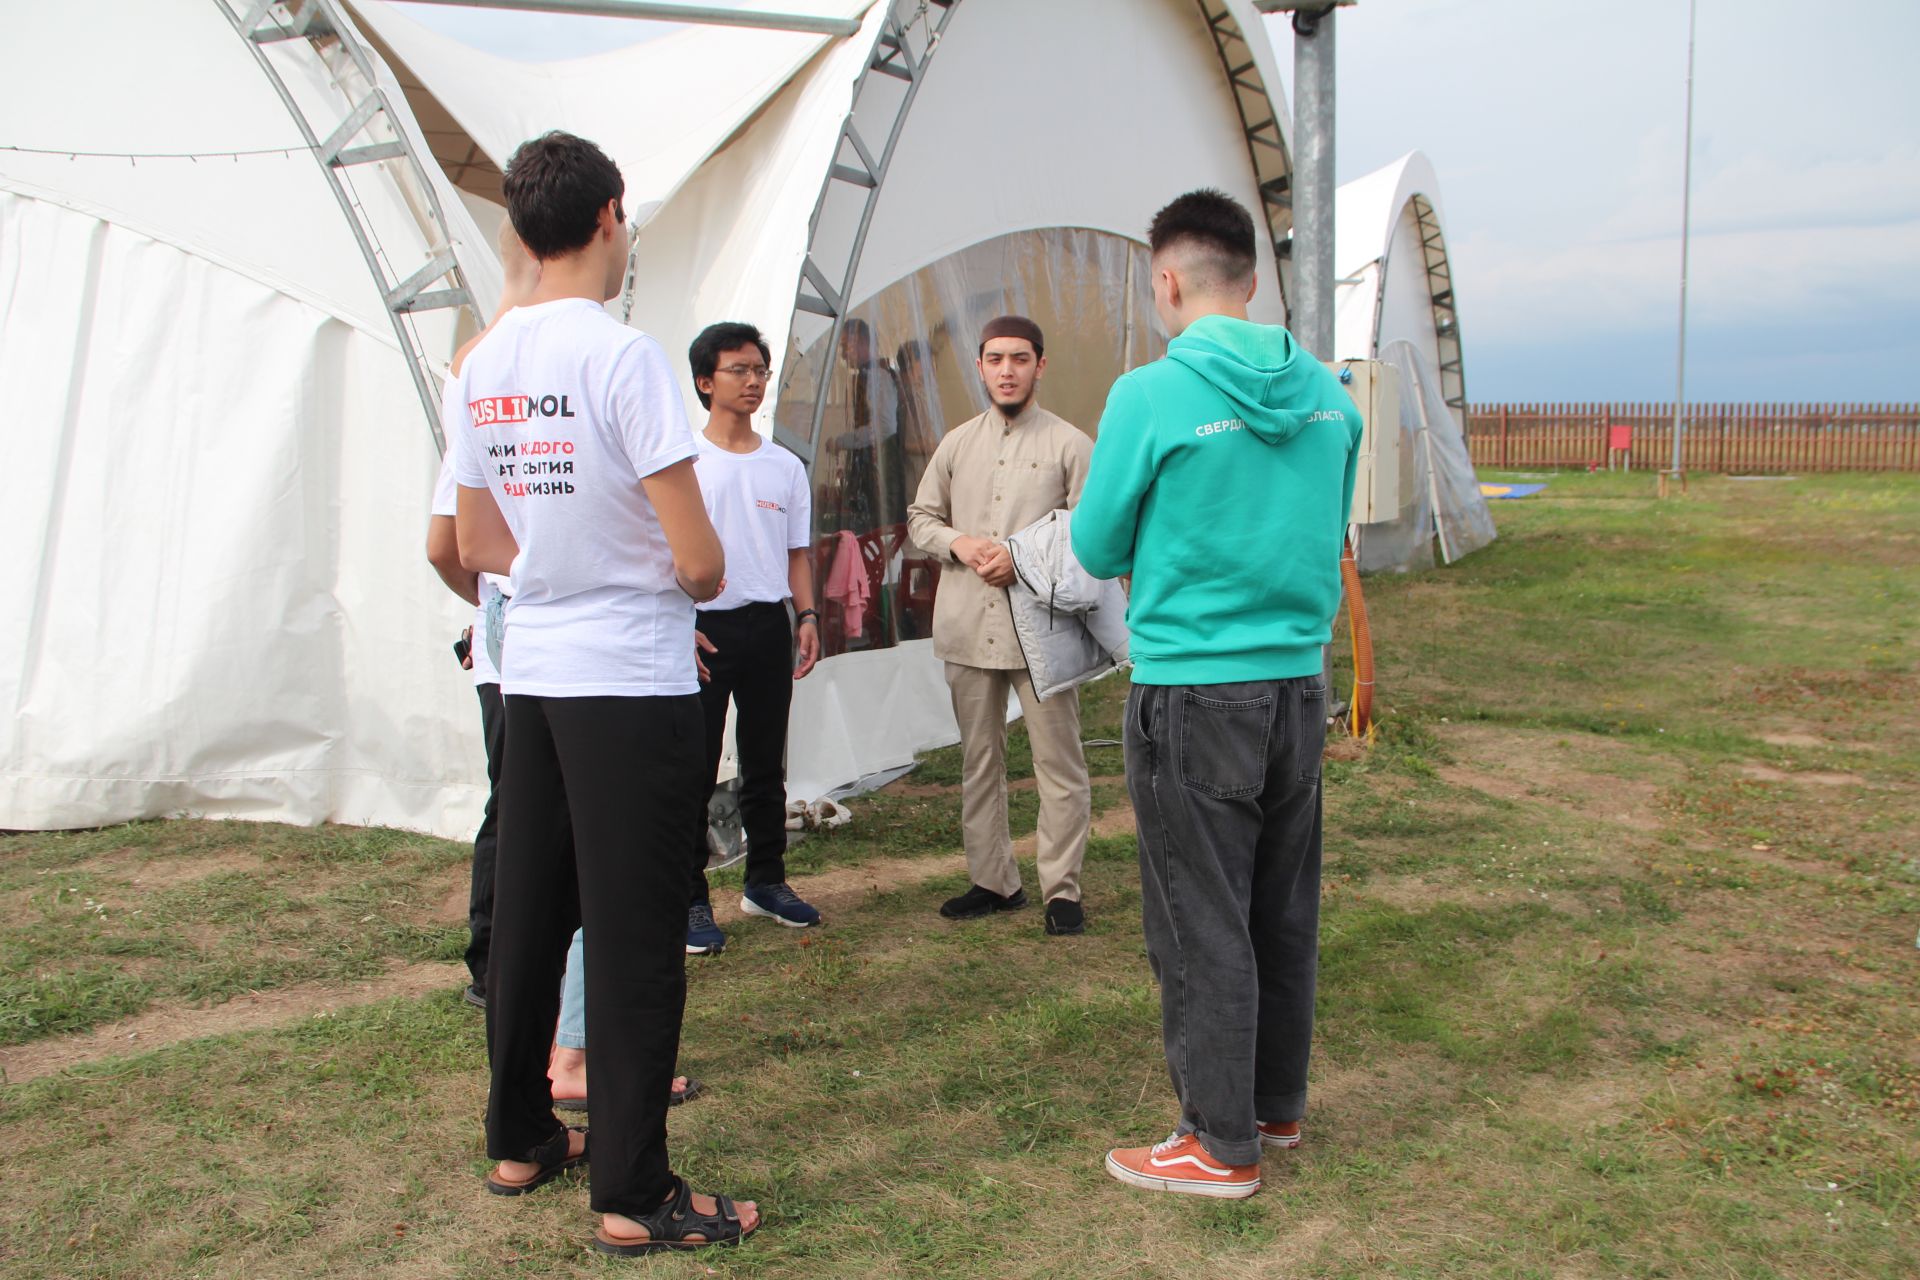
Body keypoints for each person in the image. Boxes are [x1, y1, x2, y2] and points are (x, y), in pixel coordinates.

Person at [449, 130, 758, 1255]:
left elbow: (478, 538)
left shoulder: (482, 361)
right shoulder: (621, 355)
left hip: (529, 669)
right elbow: (702, 560)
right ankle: (633, 1186)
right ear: (611, 216)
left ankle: (521, 1132)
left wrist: (557, 551)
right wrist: (658, 559)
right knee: (631, 934)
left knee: (531, 911)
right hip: (627, 676)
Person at [1070, 189, 1362, 1199]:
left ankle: (1215, 1139)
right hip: (1298, 681)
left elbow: (1096, 545)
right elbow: (1328, 529)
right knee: (1279, 902)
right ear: (1251, 279)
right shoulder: (1334, 396)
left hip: (1195, 686)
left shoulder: (1148, 395)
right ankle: (1272, 1103)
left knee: (1199, 915)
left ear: (1168, 280)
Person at [906, 315, 1094, 937]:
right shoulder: (956, 443)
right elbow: (920, 518)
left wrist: (1022, 557)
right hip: (966, 627)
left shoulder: (1070, 444)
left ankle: (1061, 890)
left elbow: (1092, 534)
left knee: (1057, 764)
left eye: (1019, 358)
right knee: (978, 761)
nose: (1006, 370)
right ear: (980, 366)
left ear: (1041, 365)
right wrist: (960, 544)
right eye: (994, 359)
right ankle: (993, 880)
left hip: (1043, 631)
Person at [424, 215, 539, 1010]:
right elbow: (447, 545)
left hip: (512, 637)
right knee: (525, 806)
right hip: (528, 641)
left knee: (519, 802)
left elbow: (447, 547)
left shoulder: (486, 377)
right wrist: (499, 605)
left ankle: (502, 961)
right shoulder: (489, 378)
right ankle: (496, 962)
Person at [683, 321, 823, 954]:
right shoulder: (683, 461)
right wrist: (678, 624)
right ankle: (688, 897)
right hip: (702, 629)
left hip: (768, 624)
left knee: (765, 761)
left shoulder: (783, 467)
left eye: (761, 370)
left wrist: (809, 617)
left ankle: (766, 880)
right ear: (706, 382)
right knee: (693, 766)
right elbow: (663, 553)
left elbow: (797, 554)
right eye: (739, 370)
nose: (753, 380)